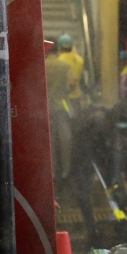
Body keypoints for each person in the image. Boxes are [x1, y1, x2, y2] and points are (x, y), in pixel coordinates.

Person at [46, 44, 73, 180]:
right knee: (65, 139)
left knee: (50, 140)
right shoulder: (64, 65)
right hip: (61, 106)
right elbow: (71, 83)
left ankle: (53, 171)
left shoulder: (42, 65)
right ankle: (66, 170)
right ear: (57, 51)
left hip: (46, 108)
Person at [57, 34, 85, 115]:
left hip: (64, 99)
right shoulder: (80, 60)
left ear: (59, 48)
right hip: (77, 96)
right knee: (77, 119)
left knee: (66, 120)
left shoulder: (59, 61)